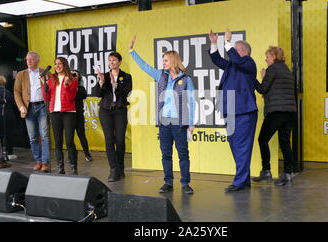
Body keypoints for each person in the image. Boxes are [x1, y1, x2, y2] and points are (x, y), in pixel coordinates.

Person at [129, 36, 195, 194]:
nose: (163, 63)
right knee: (166, 154)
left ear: (173, 61)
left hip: (180, 123)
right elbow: (144, 66)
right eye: (163, 60)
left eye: (165, 60)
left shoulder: (186, 79)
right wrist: (132, 51)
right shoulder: (161, 76)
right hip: (164, 122)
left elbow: (192, 102)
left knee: (183, 154)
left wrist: (191, 123)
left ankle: (185, 183)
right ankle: (168, 182)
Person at [209, 29, 258, 193]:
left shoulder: (249, 63)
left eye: (235, 50)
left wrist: (228, 42)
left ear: (244, 52)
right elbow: (217, 60)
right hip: (230, 110)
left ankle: (239, 181)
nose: (231, 53)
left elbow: (236, 59)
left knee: (241, 146)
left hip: (244, 112)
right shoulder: (232, 65)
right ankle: (243, 179)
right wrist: (214, 43)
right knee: (235, 145)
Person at [251, 46, 297, 187]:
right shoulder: (287, 70)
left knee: (262, 139)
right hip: (289, 112)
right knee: (285, 142)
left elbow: (262, 89)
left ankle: (266, 171)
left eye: (268, 56)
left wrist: (256, 78)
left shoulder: (272, 69)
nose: (266, 59)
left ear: (274, 57)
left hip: (276, 111)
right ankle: (287, 175)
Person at [92, 52, 132, 182]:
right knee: (109, 139)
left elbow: (127, 92)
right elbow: (97, 94)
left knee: (120, 140)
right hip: (105, 110)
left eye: (114, 60)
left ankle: (120, 167)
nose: (111, 63)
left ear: (119, 62)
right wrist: (102, 82)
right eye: (109, 60)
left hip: (120, 110)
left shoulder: (126, 76)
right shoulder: (104, 76)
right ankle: (113, 169)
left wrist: (116, 85)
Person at [14, 51, 51, 172]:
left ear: (38, 61)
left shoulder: (45, 72)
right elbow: (17, 92)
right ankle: (38, 160)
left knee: (44, 135)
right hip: (28, 108)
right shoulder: (21, 74)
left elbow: (51, 89)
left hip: (42, 106)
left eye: (32, 59)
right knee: (33, 137)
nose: (29, 61)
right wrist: (21, 106)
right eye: (27, 59)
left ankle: (45, 162)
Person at [42, 57, 78, 175]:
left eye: (60, 64)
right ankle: (60, 167)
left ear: (65, 65)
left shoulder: (72, 79)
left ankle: (73, 165)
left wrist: (67, 85)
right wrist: (44, 86)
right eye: (55, 64)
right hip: (54, 112)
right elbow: (46, 98)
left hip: (69, 112)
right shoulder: (52, 79)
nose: (57, 66)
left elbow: (71, 98)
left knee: (69, 141)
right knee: (57, 142)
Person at [72, 70, 93, 163]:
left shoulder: (80, 88)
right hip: (68, 115)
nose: (73, 76)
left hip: (78, 115)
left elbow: (84, 96)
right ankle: (72, 155)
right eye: (71, 74)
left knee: (81, 135)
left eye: (75, 75)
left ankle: (87, 154)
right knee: (69, 137)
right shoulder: (65, 87)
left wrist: (75, 85)